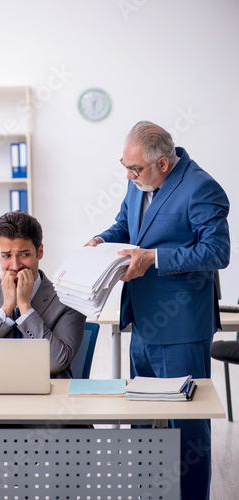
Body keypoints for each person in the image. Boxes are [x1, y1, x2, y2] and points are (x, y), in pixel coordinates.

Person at [86, 121, 230, 500]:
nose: (129, 176)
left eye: (136, 169)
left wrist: (155, 258)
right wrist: (103, 239)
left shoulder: (201, 188)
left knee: (186, 430)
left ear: (163, 163)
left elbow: (217, 253)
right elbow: (126, 226)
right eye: (125, 166)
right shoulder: (138, 183)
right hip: (142, 323)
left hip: (181, 327)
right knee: (143, 421)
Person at [0, 210, 86, 378]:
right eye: (6, 256)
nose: (15, 265)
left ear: (39, 252)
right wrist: (5, 310)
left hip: (48, 396)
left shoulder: (68, 298)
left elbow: (56, 361)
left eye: (24, 255)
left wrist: (25, 307)